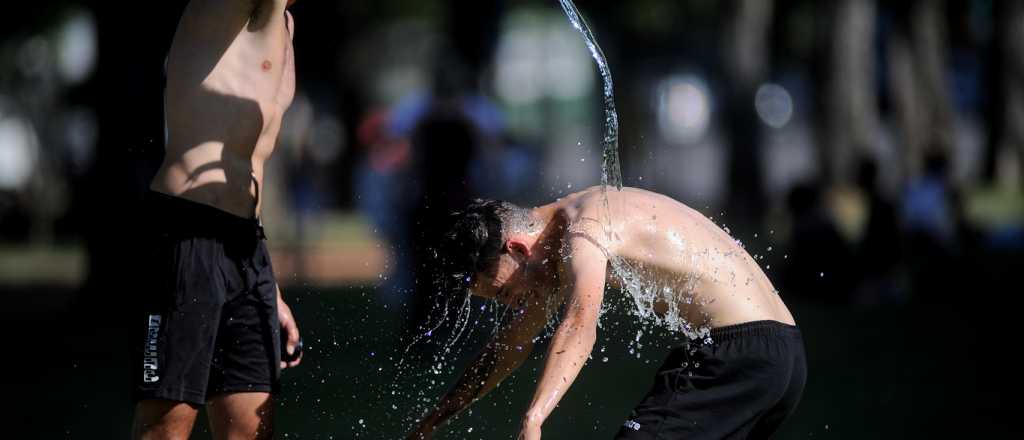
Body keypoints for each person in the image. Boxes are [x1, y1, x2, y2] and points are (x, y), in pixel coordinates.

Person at [409, 187, 806, 439]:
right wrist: (431, 423)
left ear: (516, 249)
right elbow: (510, 345)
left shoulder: (586, 229)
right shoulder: (551, 252)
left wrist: (534, 417)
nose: (511, 302)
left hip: (737, 355)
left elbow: (580, 323)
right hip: (780, 354)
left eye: (504, 291)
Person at [132, 1, 302, 438]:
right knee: (167, 426)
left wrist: (270, 287)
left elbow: (253, 164)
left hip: (245, 246)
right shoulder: (222, 9)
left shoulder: (284, 24)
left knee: (250, 428)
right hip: (189, 231)